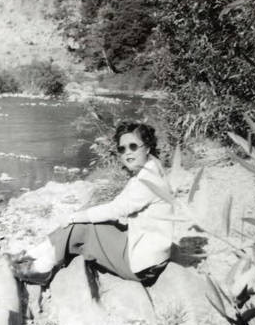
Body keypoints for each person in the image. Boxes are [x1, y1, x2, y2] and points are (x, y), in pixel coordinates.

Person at [12, 121, 174, 286]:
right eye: (122, 149)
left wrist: (74, 217)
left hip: (143, 265)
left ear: (147, 148)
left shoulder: (147, 180)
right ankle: (33, 254)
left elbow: (115, 209)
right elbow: (118, 206)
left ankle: (41, 268)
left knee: (83, 225)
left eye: (133, 146)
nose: (127, 153)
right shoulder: (149, 169)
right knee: (88, 220)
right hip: (149, 255)